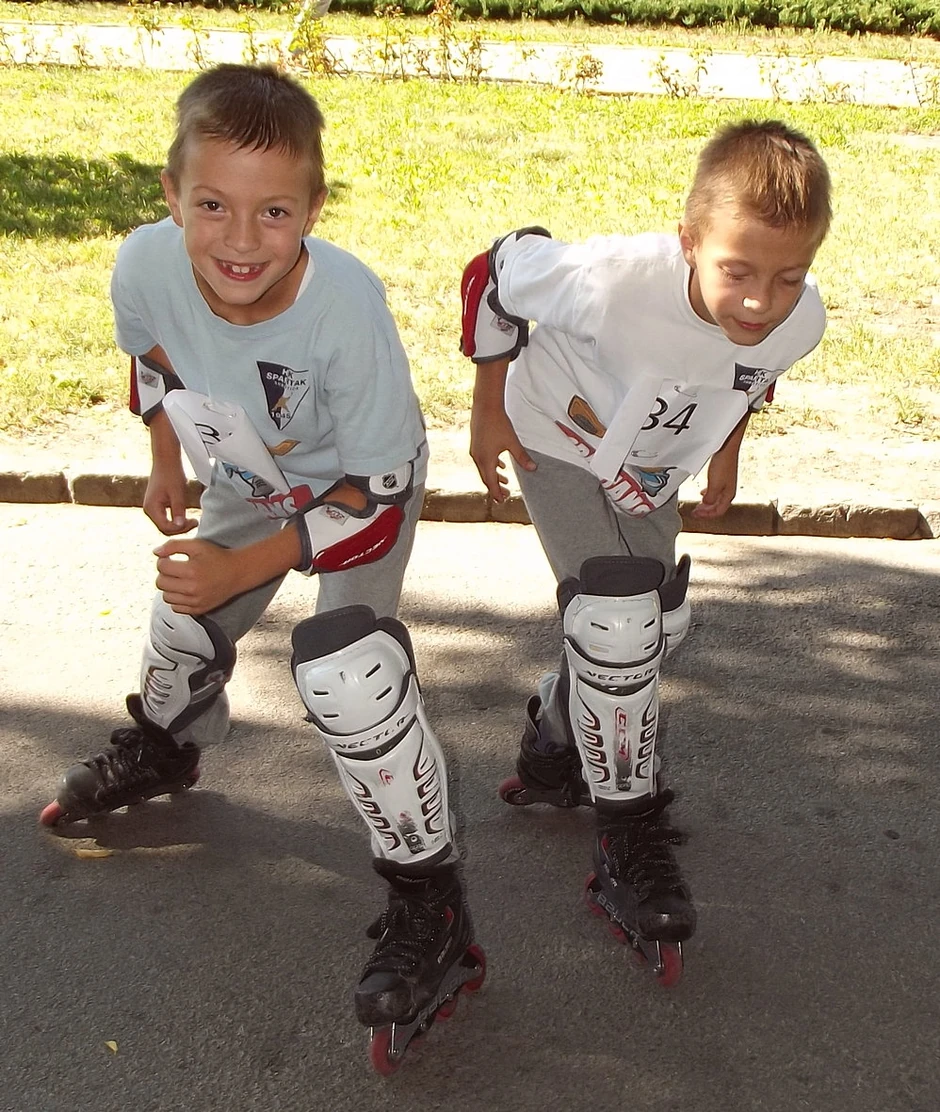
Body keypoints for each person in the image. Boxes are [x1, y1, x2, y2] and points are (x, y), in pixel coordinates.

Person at [40, 63, 483, 1070]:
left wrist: (253, 561)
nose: (240, 240)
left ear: (313, 210)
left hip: (359, 483)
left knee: (349, 670)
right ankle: (168, 744)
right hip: (247, 462)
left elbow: (376, 493)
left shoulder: (346, 304)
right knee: (182, 615)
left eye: (273, 212)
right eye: (212, 206)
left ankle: (433, 899)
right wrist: (165, 458)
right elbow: (154, 359)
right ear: (171, 196)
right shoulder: (144, 262)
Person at [460, 119, 831, 984]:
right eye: (738, 272)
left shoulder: (799, 320)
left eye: (789, 277)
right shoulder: (614, 283)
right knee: (616, 624)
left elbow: (749, 375)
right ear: (689, 241)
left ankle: (556, 736)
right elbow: (495, 270)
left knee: (653, 628)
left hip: (650, 463)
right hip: (553, 437)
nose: (760, 302)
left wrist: (727, 453)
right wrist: (488, 410)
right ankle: (627, 834)